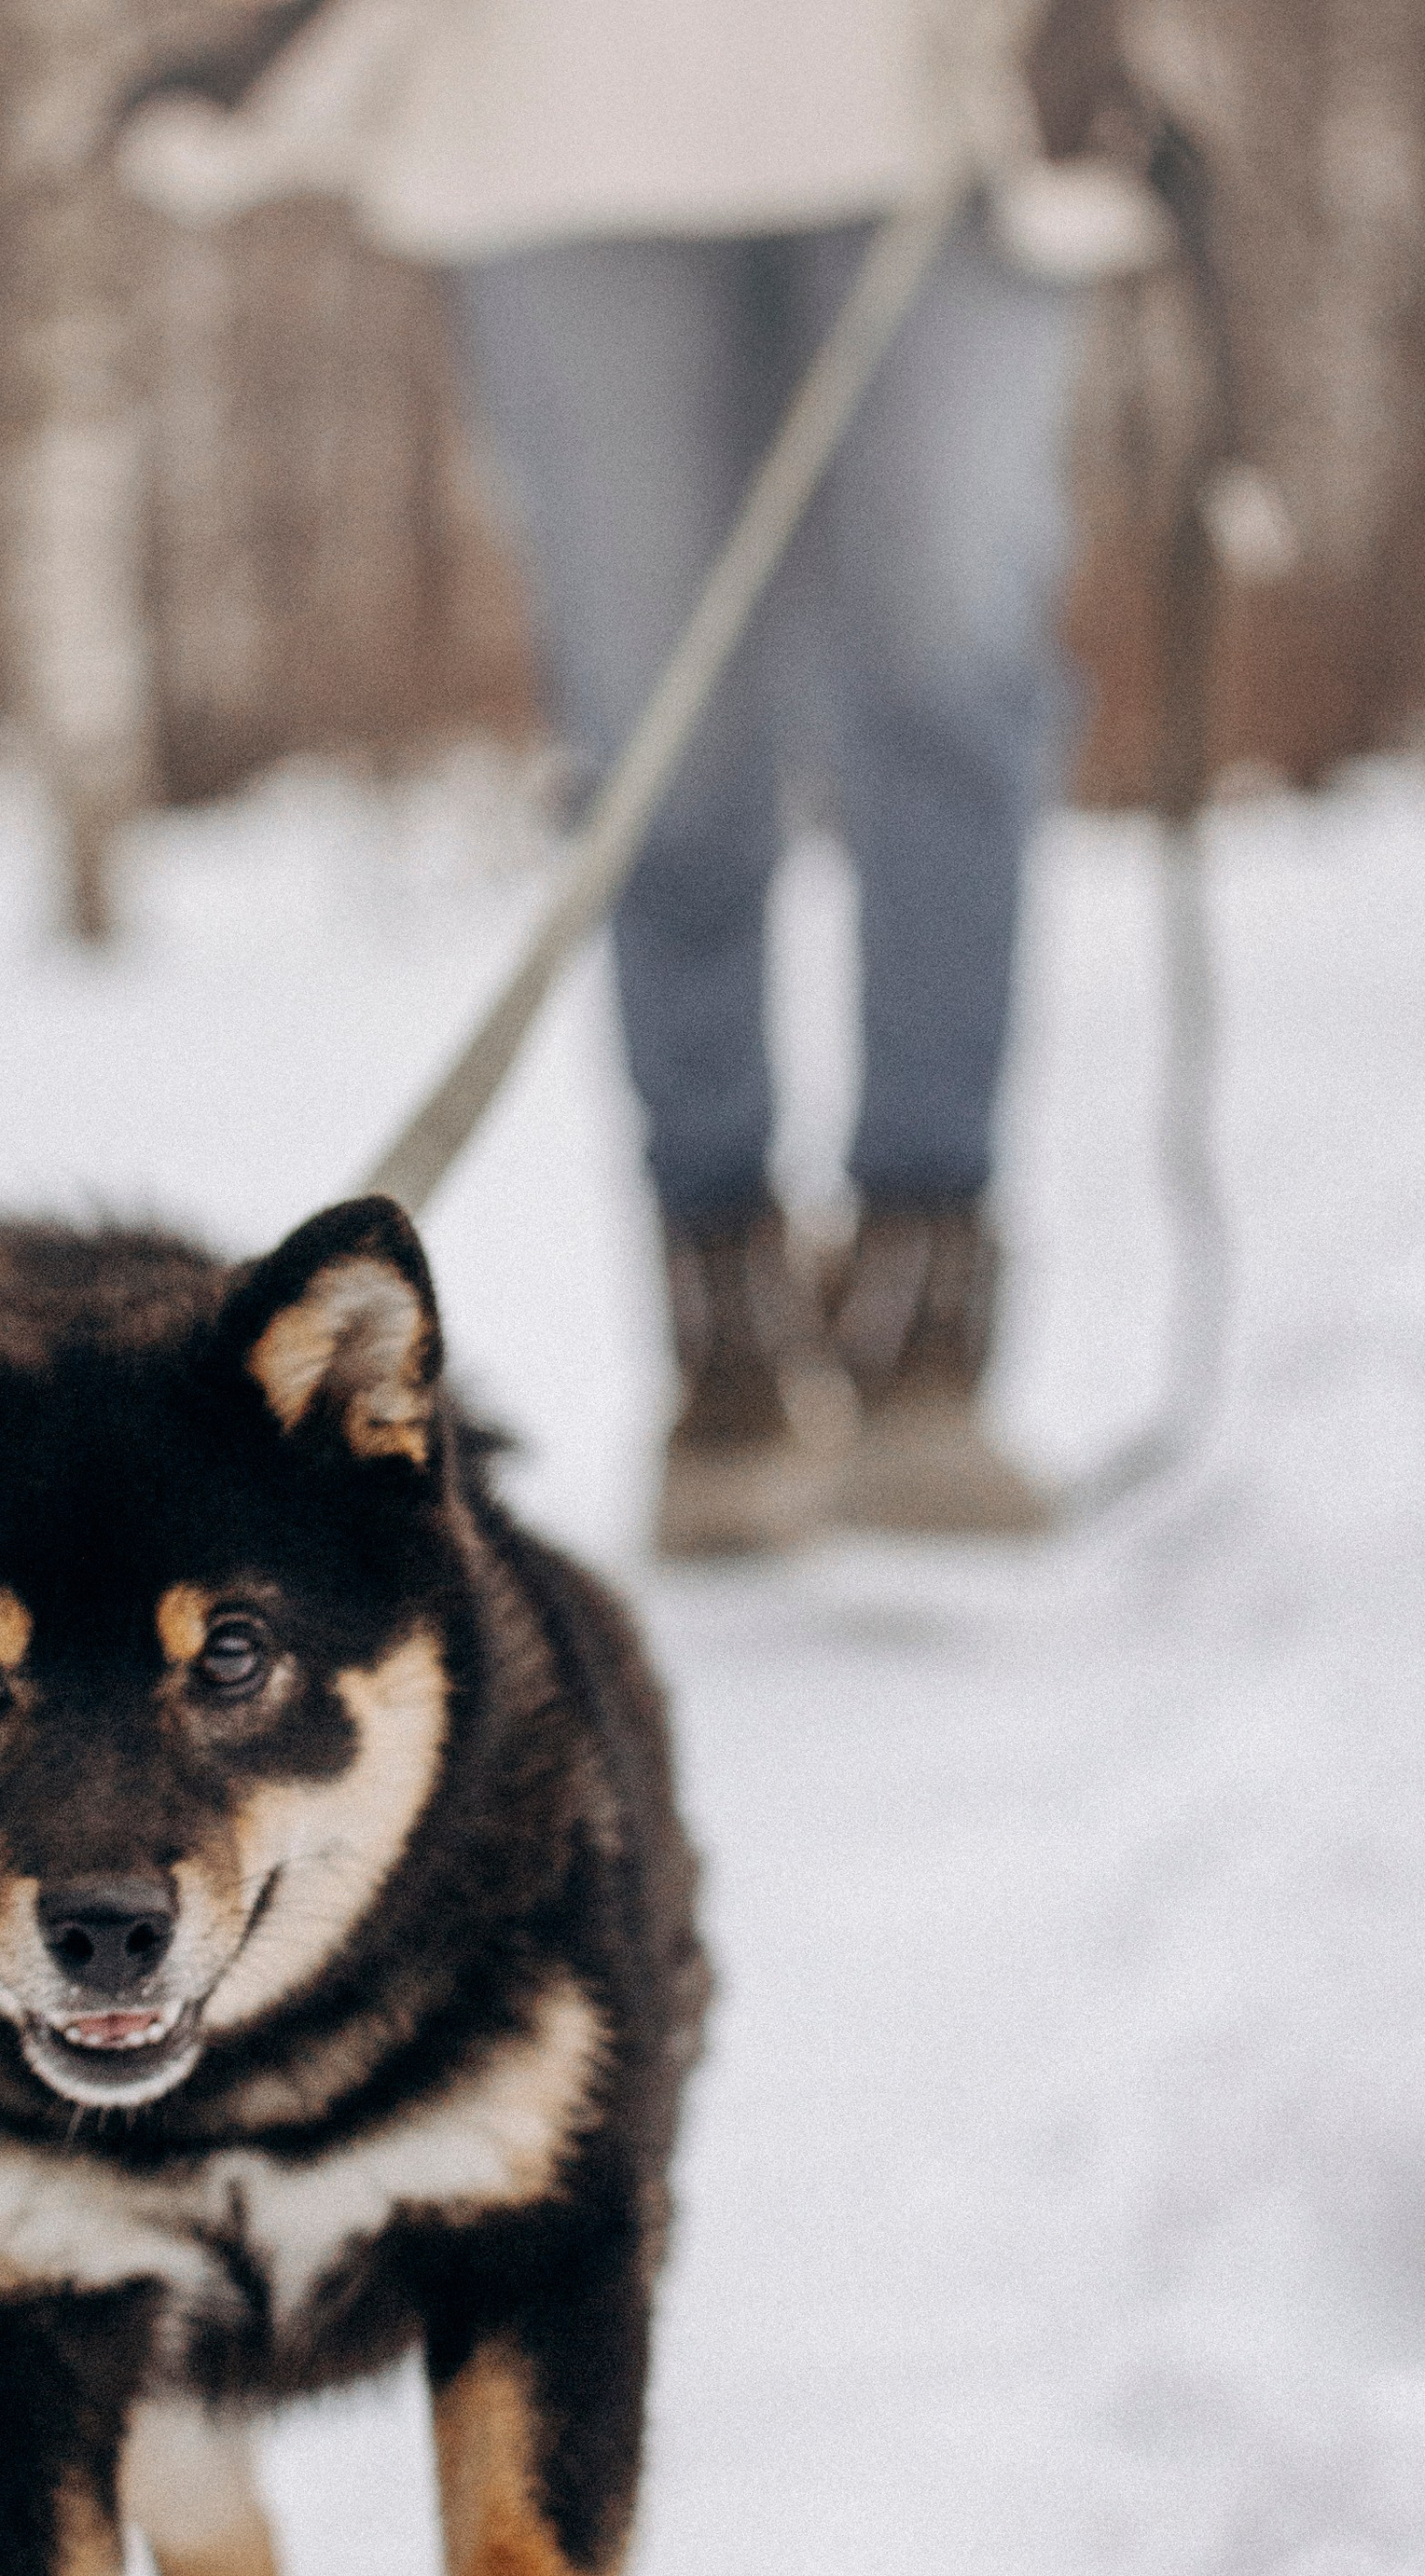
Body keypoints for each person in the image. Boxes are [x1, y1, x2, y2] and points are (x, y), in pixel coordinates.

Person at [120, 2, 1169, 1554]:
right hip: (568, 125)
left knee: (946, 691)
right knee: (664, 751)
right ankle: (724, 1345)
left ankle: (924, 1325)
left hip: (952, 105)